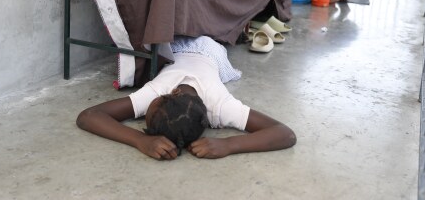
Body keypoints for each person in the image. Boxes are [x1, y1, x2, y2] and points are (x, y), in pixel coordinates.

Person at [76, 36, 296, 160]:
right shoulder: (215, 105)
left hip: (211, 50)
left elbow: (286, 135)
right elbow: (284, 133)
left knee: (218, 35)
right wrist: (139, 140)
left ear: (173, 92)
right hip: (187, 47)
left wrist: (230, 145)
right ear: (173, 93)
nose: (143, 112)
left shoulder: (216, 105)